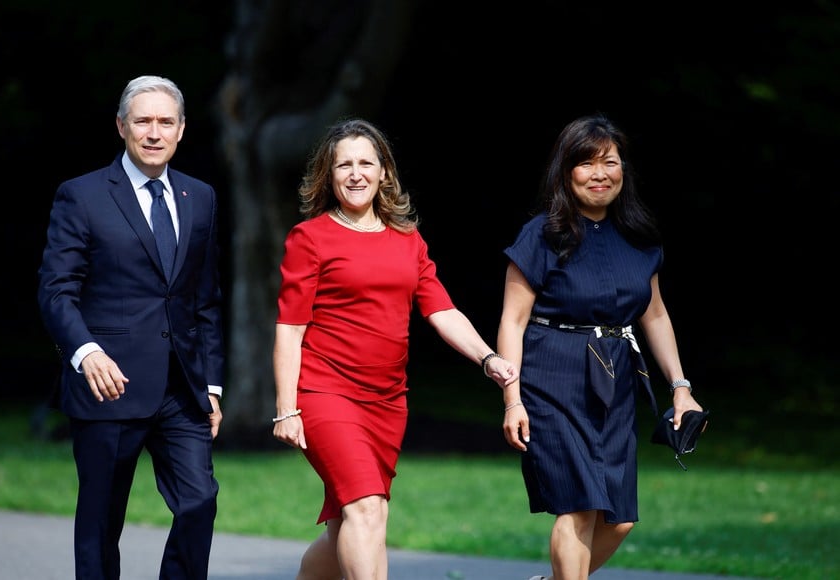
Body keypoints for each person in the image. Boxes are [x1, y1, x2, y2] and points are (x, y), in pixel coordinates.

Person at [272, 118, 518, 580]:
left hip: (387, 401)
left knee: (353, 518)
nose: (356, 173)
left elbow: (441, 310)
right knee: (366, 508)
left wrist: (488, 358)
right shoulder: (311, 239)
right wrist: (287, 408)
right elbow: (290, 328)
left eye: (366, 162)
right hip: (325, 392)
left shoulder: (407, 240)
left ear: (384, 172)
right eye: (343, 164)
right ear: (328, 175)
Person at [495, 114, 704, 580]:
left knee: (621, 518)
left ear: (623, 169)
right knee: (579, 504)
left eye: (609, 162)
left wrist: (681, 387)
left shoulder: (638, 236)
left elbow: (655, 315)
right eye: (586, 164)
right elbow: (512, 321)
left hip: (615, 378)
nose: (599, 174)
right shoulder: (541, 235)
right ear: (566, 172)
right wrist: (512, 399)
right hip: (550, 376)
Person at [37, 75, 225, 579]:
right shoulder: (82, 196)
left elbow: (203, 299)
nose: (154, 132)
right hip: (108, 384)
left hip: (182, 390)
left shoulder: (200, 197)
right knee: (101, 524)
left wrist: (210, 384)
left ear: (182, 130)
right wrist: (86, 352)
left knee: (199, 502)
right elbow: (56, 290)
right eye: (143, 120)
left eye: (166, 121)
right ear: (122, 126)